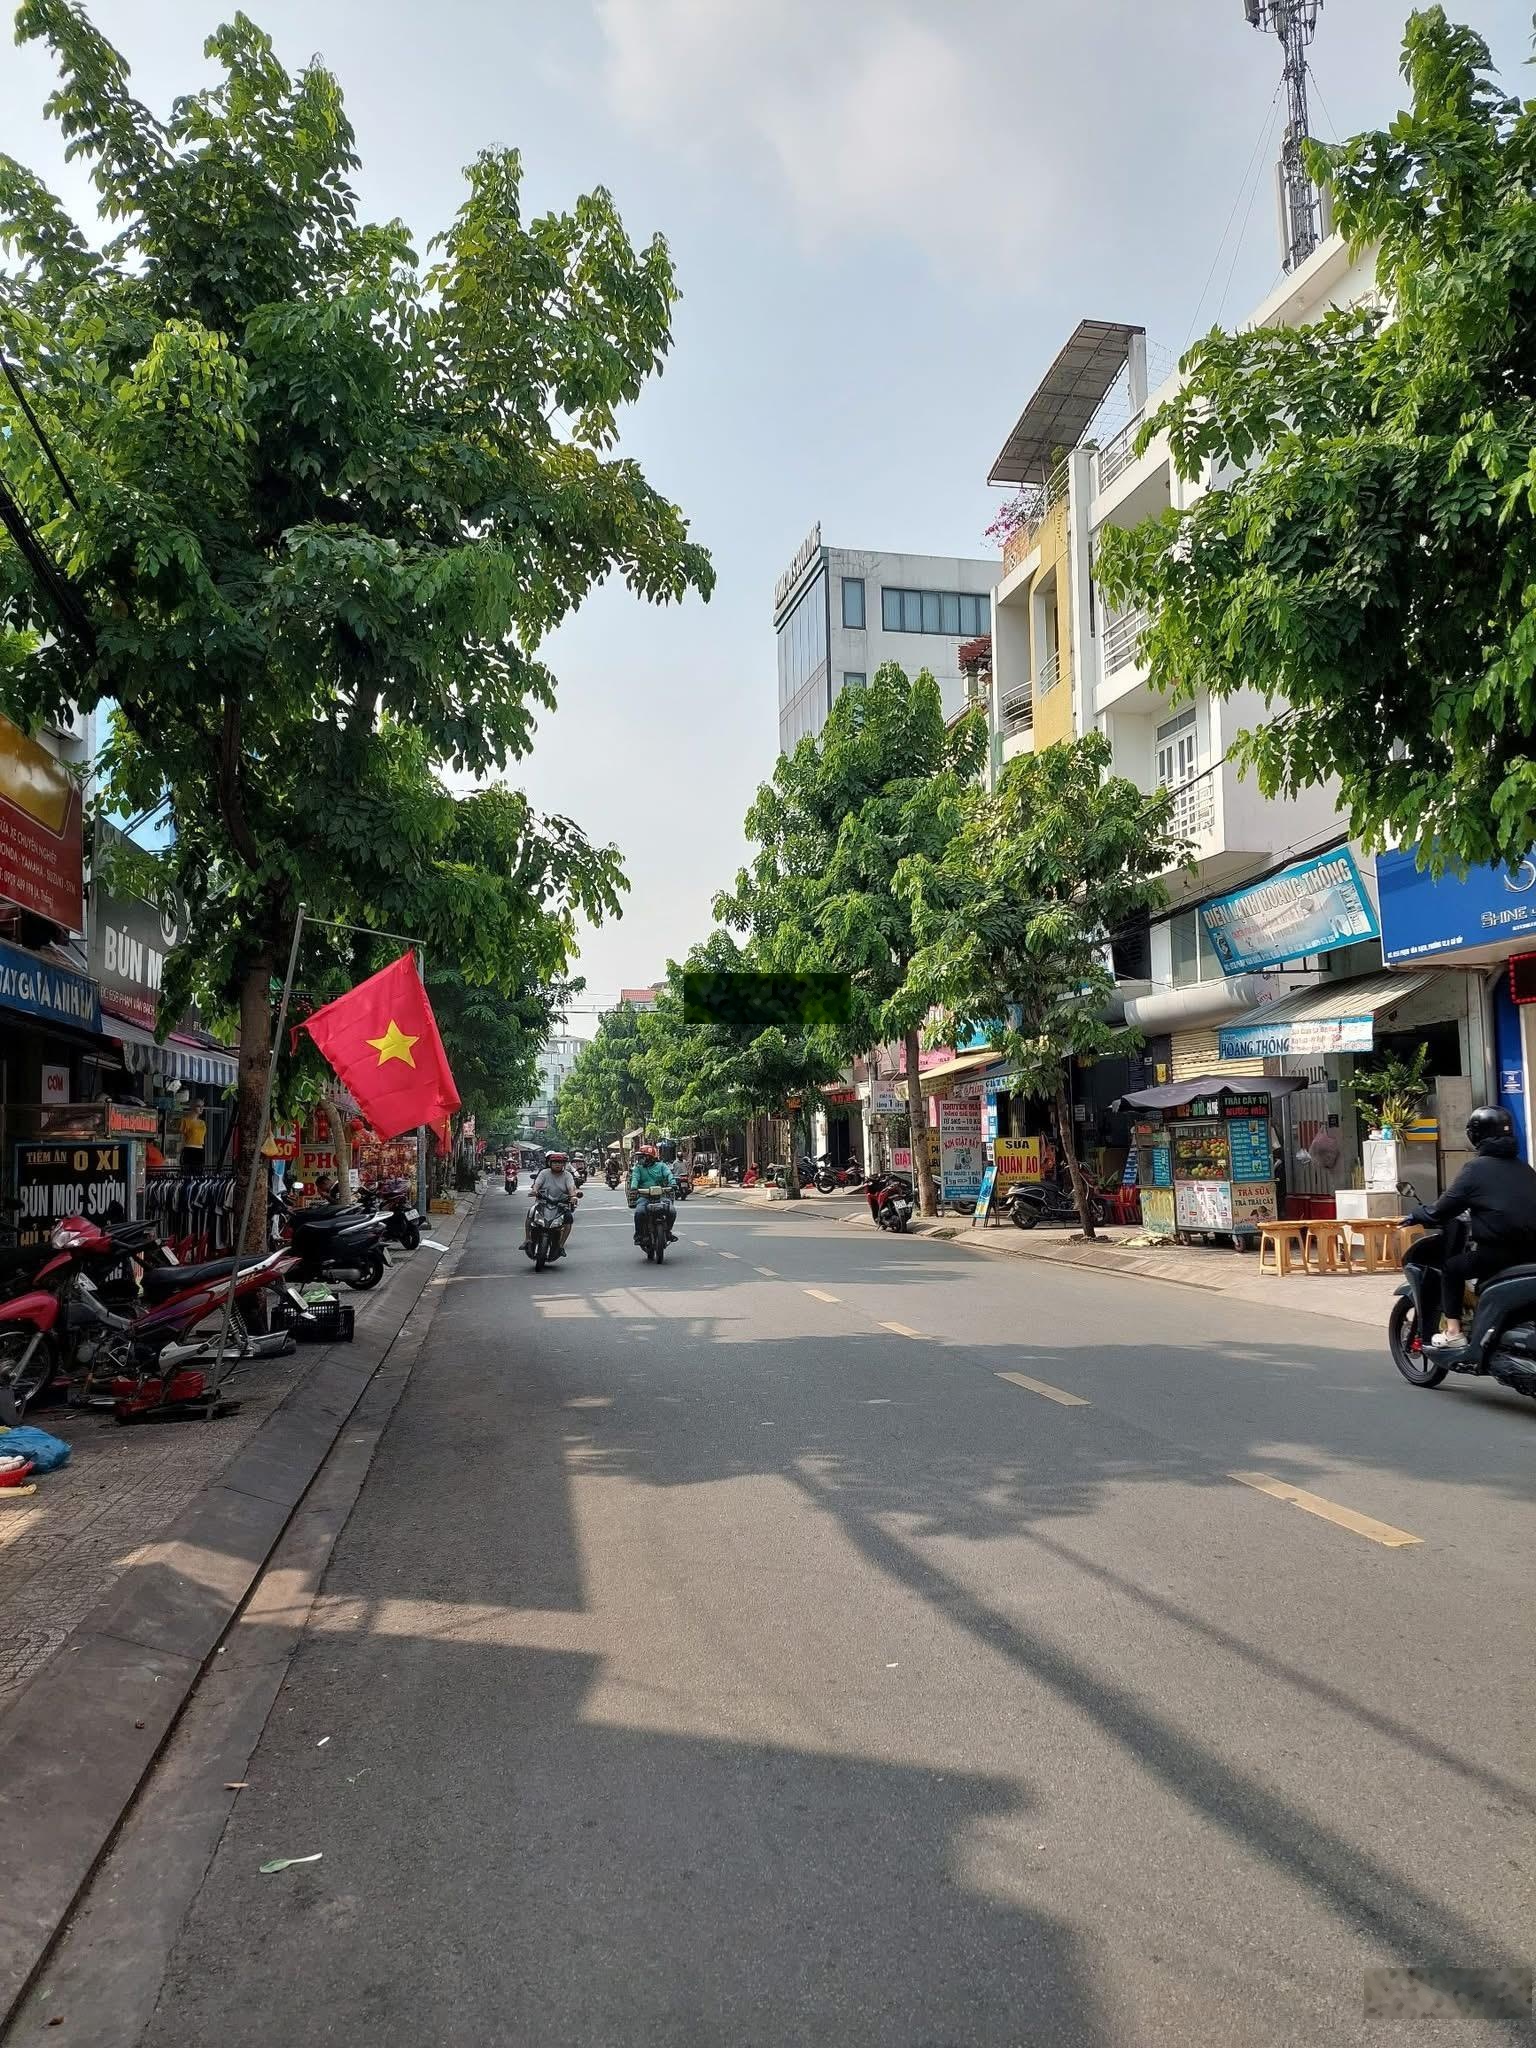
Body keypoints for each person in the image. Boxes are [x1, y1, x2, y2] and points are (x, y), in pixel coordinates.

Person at [1408, 1105, 1536, 1347]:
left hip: (1497, 1255)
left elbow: (1442, 1210)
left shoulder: (1475, 1169)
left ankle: (1453, 1333)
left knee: (1452, 1269)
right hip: (1531, 1255)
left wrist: (1417, 1214)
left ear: (1475, 1135)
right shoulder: (1525, 1169)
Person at [527, 1149, 580, 1258]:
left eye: (560, 1162)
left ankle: (560, 1246)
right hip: (543, 1202)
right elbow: (537, 1184)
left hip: (560, 1205)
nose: (557, 1165)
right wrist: (534, 1191)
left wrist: (573, 1196)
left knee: (568, 1218)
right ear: (550, 1163)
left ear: (564, 1164)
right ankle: (527, 1239)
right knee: (531, 1211)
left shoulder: (567, 1175)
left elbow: (571, 1188)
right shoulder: (544, 1173)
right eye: (555, 1162)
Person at [629, 1142, 677, 1244]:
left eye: (642, 1157)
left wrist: (673, 1183)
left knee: (672, 1211)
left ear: (650, 1157)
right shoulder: (638, 1168)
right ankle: (639, 1235)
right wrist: (633, 1188)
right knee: (639, 1212)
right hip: (644, 1197)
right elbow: (635, 1178)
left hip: (661, 1196)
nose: (640, 1159)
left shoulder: (661, 1166)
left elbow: (669, 1174)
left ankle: (668, 1231)